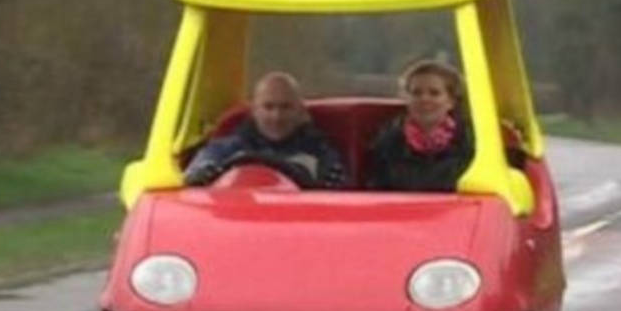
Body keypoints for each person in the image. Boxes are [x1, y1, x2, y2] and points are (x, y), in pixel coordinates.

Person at [184, 72, 347, 188]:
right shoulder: (226, 149)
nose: (277, 117)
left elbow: (338, 196)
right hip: (238, 222)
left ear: (301, 112)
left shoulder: (320, 153)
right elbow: (193, 175)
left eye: (286, 107)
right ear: (254, 110)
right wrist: (203, 175)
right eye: (269, 107)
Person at [368, 60, 474, 191]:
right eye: (416, 93)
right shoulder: (388, 143)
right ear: (406, 98)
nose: (424, 99)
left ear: (451, 101)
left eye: (434, 93)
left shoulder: (472, 142)